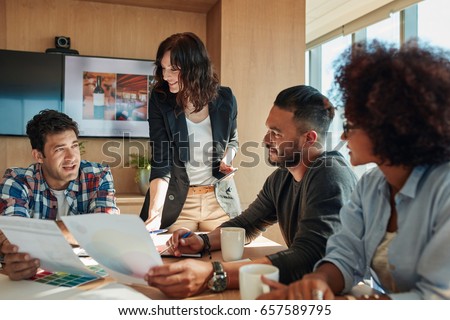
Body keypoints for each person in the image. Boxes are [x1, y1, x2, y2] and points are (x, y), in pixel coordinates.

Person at [260, 40, 450, 300]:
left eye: (351, 125)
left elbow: (438, 300)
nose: (344, 136)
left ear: (391, 129)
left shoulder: (444, 191)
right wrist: (318, 281)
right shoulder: (371, 185)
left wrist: (356, 305)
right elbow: (345, 256)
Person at [144, 85, 358, 298]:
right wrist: (203, 241)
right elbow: (246, 224)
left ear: (309, 139)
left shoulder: (330, 174)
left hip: (338, 296)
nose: (266, 140)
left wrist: (214, 273)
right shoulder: (282, 178)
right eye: (268, 130)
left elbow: (310, 257)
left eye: (276, 133)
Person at [0, 109, 119, 280]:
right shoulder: (16, 181)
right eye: (60, 149)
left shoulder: (99, 175)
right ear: (39, 156)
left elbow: (105, 229)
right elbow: (15, 241)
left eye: (74, 146)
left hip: (87, 277)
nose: (71, 157)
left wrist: (36, 236)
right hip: (36, 280)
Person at [141, 32, 241, 232]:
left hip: (219, 200)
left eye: (173, 69)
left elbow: (233, 141)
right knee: (176, 256)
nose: (166, 75)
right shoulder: (160, 100)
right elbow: (162, 162)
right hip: (179, 203)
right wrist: (154, 213)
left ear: (195, 68)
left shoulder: (226, 98)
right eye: (163, 68)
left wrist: (226, 160)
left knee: (230, 257)